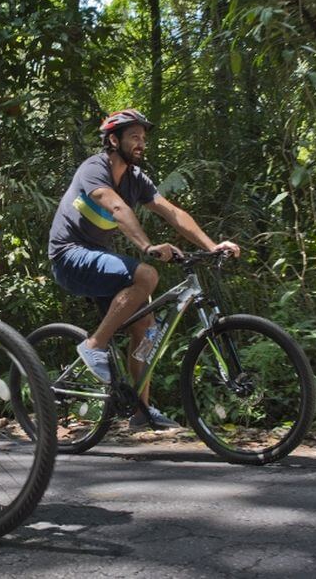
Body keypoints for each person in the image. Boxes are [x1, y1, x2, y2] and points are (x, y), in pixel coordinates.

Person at [47, 109, 241, 430]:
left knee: (146, 326)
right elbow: (117, 207)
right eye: (134, 137)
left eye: (143, 138)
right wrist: (148, 247)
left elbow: (172, 213)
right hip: (68, 256)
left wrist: (211, 246)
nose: (141, 144)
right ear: (113, 139)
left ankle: (141, 413)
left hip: (96, 258)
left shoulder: (136, 180)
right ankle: (93, 345)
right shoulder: (94, 169)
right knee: (147, 275)